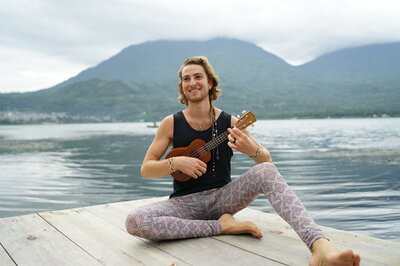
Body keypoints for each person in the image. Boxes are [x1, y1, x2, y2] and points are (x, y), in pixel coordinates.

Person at [125, 56, 361, 266]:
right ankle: (223, 226)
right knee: (135, 221)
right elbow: (146, 169)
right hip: (183, 204)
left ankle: (321, 247)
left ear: (210, 83)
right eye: (186, 78)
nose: (192, 82)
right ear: (182, 86)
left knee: (266, 170)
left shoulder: (232, 122)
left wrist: (252, 151)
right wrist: (176, 164)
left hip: (223, 198)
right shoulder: (170, 123)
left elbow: (266, 161)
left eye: (198, 77)